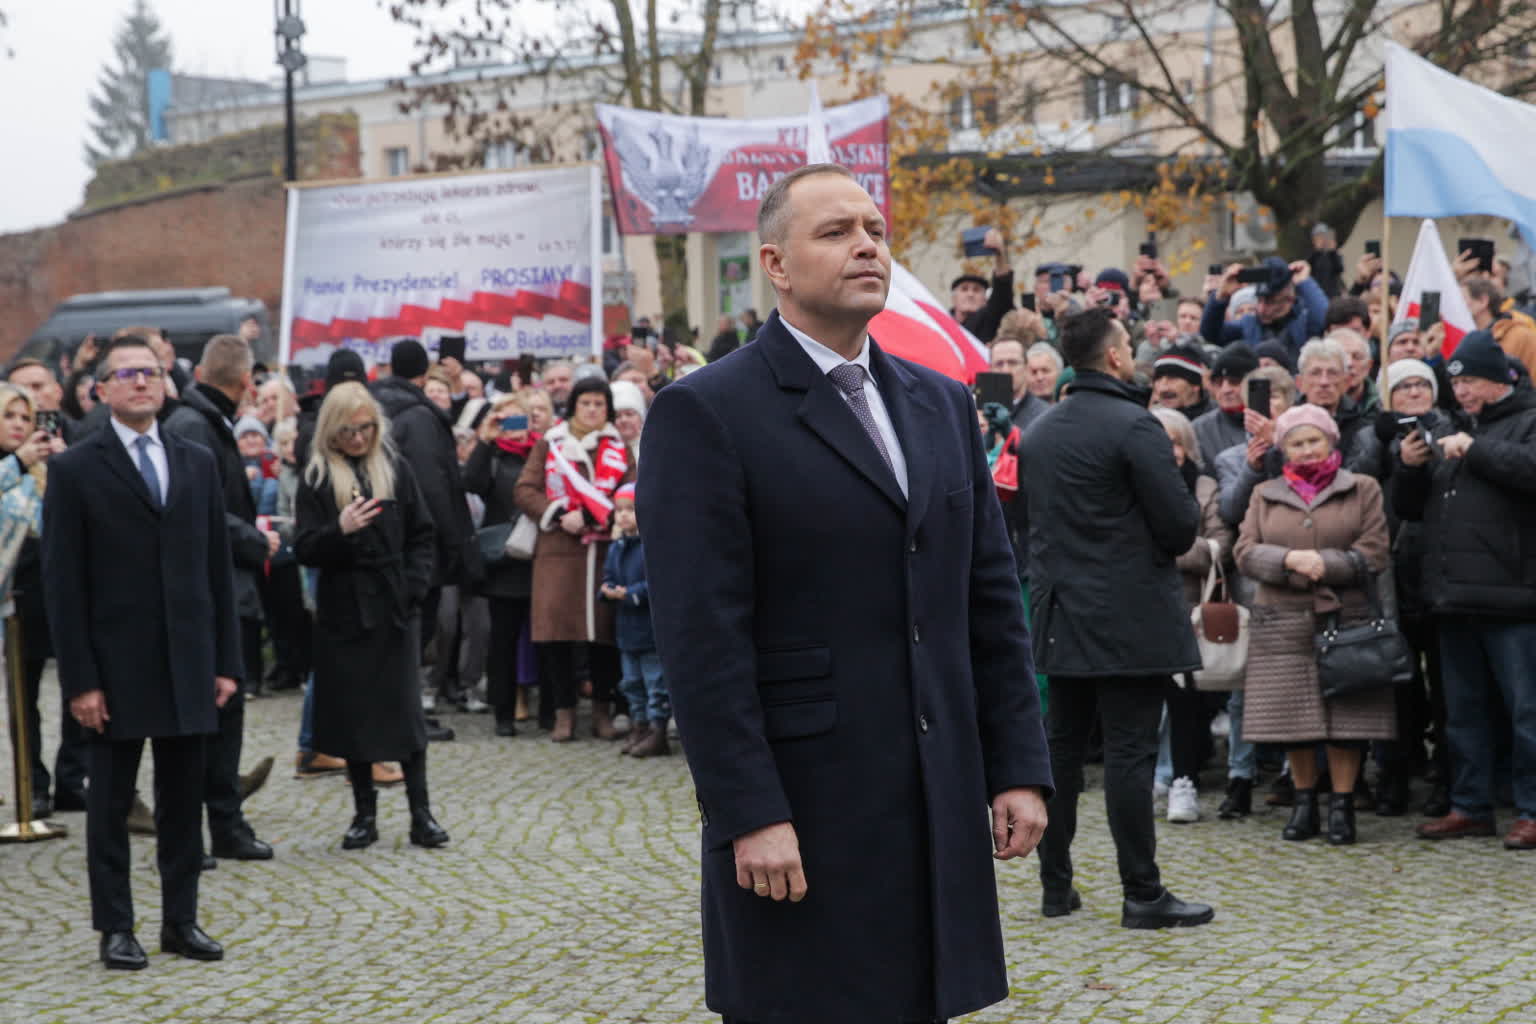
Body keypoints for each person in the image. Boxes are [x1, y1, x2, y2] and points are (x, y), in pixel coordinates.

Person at [637, 163, 1051, 1023]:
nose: (867, 245)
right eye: (836, 232)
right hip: (806, 804)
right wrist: (748, 812)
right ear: (776, 265)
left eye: (874, 229)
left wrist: (1018, 766)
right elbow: (701, 639)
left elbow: (988, 601)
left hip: (934, 796)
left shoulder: (939, 403)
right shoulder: (707, 412)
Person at [43, 335, 241, 969]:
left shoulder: (194, 461)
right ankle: (116, 928)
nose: (140, 383)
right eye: (126, 374)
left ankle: (181, 921)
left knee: (183, 803)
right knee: (110, 805)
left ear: (166, 385)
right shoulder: (76, 468)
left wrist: (226, 663)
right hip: (114, 666)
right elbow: (63, 584)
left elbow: (217, 568)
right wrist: (80, 681)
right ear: (101, 390)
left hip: (188, 661)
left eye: (150, 373)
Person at [1018, 306, 1213, 928]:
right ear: (1115, 357)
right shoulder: (1135, 425)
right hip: (1128, 616)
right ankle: (1143, 894)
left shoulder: (1042, 431)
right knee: (1128, 753)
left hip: (1059, 612)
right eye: (1128, 343)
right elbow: (1182, 527)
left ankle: (1056, 888)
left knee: (1062, 751)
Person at [1393, 331, 1536, 849]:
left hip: (1516, 597)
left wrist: (1475, 451)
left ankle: (1532, 808)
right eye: (1456, 382)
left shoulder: (1527, 421)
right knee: (1463, 711)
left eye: (1471, 380)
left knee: (1526, 713)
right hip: (1454, 597)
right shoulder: (1451, 427)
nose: (1462, 392)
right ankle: (1469, 805)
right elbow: (1409, 509)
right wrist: (1408, 468)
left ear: (1500, 381)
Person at [293, 381, 448, 851]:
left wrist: (414, 588)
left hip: (395, 606)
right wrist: (338, 532)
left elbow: (423, 534)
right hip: (344, 612)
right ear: (331, 432)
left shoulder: (394, 468)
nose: (358, 439)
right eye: (348, 431)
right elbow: (305, 548)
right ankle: (365, 815)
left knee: (405, 711)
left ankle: (422, 813)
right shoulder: (319, 478)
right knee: (353, 714)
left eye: (365, 429)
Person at [1235, 404, 1394, 845]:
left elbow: (1376, 550)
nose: (1306, 450)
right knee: (1293, 719)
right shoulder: (1264, 493)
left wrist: (1328, 564)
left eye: (1313, 441)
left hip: (1346, 616)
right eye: (1296, 443)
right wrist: (1288, 559)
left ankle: (1342, 807)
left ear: (1330, 441)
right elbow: (1245, 551)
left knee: (1347, 717)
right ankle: (1304, 804)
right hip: (1281, 621)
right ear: (1283, 449)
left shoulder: (1363, 488)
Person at [160, 335, 277, 863]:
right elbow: (193, 513)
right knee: (206, 719)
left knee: (223, 717)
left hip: (222, 586)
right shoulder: (193, 425)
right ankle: (203, 830)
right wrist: (257, 540)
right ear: (246, 382)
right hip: (207, 591)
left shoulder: (203, 420)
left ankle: (225, 827)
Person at [515, 377, 634, 742]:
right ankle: (563, 713)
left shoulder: (618, 446)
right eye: (586, 403)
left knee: (603, 637)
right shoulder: (550, 443)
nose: (593, 410)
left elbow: (632, 489)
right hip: (558, 549)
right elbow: (525, 489)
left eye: (600, 404)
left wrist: (608, 515)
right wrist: (556, 511)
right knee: (556, 635)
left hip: (603, 552)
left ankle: (601, 711)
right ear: (574, 406)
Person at [373, 340, 477, 718]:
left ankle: (396, 709)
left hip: (380, 536)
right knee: (416, 630)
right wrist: (453, 546)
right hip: (418, 542)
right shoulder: (419, 417)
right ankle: (404, 713)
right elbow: (433, 485)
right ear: (422, 373)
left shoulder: (372, 406)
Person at [1151, 407, 1234, 825]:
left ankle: (1184, 779)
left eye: (1174, 441)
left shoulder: (1204, 488)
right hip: (1141, 609)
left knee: (1185, 702)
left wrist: (1162, 549)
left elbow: (1218, 547)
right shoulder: (1131, 483)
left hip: (1190, 611)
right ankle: (1153, 776)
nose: (1168, 451)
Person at [0, 382, 69, 820]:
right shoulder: (13, 467)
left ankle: (72, 777)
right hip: (12, 594)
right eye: (10, 416)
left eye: (26, 418)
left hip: (48, 587)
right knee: (22, 698)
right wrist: (15, 465)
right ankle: (32, 784)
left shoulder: (43, 467)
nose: (19, 425)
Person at [463, 393, 539, 735]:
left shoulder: (543, 451)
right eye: (505, 420)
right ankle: (503, 711)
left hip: (540, 556)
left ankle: (549, 709)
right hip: (504, 560)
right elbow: (471, 483)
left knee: (544, 639)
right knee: (503, 640)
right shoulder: (492, 457)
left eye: (518, 419)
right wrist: (486, 439)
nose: (514, 428)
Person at [602, 483, 668, 757]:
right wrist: (606, 590)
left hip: (648, 630)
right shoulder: (616, 547)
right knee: (631, 683)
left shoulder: (650, 547)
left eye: (630, 509)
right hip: (626, 630)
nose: (624, 516)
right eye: (619, 510)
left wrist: (631, 593)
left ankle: (657, 730)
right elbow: (608, 575)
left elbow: (656, 583)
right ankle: (639, 726)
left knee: (655, 683)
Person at [1201, 257, 1327, 359]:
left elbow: (1324, 319)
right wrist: (1221, 296)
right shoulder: (1248, 324)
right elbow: (1210, 333)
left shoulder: (1303, 324)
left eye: (1270, 302)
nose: (1261, 309)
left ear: (1290, 299)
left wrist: (1305, 283)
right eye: (1259, 300)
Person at [1192, 343, 1258, 468]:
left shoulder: (1276, 420)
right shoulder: (1200, 429)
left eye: (1235, 382)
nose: (1225, 389)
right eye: (1219, 383)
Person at [950, 227, 1014, 343]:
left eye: (976, 290)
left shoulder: (990, 320)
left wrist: (1000, 255)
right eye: (964, 289)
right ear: (953, 298)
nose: (970, 294)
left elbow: (1002, 292)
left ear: (985, 299)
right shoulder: (942, 324)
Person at [988, 337, 1048, 432]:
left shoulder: (1043, 415)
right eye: (999, 364)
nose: (1006, 370)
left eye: (1012, 363)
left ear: (1026, 368)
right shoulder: (979, 413)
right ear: (990, 369)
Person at [1150, 343, 1212, 419]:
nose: (1162, 388)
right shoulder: (1150, 420)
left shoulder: (1214, 423)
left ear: (1195, 385)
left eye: (1172, 378)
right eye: (1158, 379)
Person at [1308, 222, 1346, 297]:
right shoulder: (1313, 256)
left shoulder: (1333, 254)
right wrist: (1317, 251)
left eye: (1323, 237)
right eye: (1318, 237)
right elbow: (1308, 269)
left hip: (1333, 295)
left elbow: (1339, 269)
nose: (1322, 240)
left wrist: (1332, 251)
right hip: (1318, 294)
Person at [611, 379, 647, 450]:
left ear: (641, 418)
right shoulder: (603, 450)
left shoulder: (653, 447)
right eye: (617, 416)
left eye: (629, 414)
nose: (624, 420)